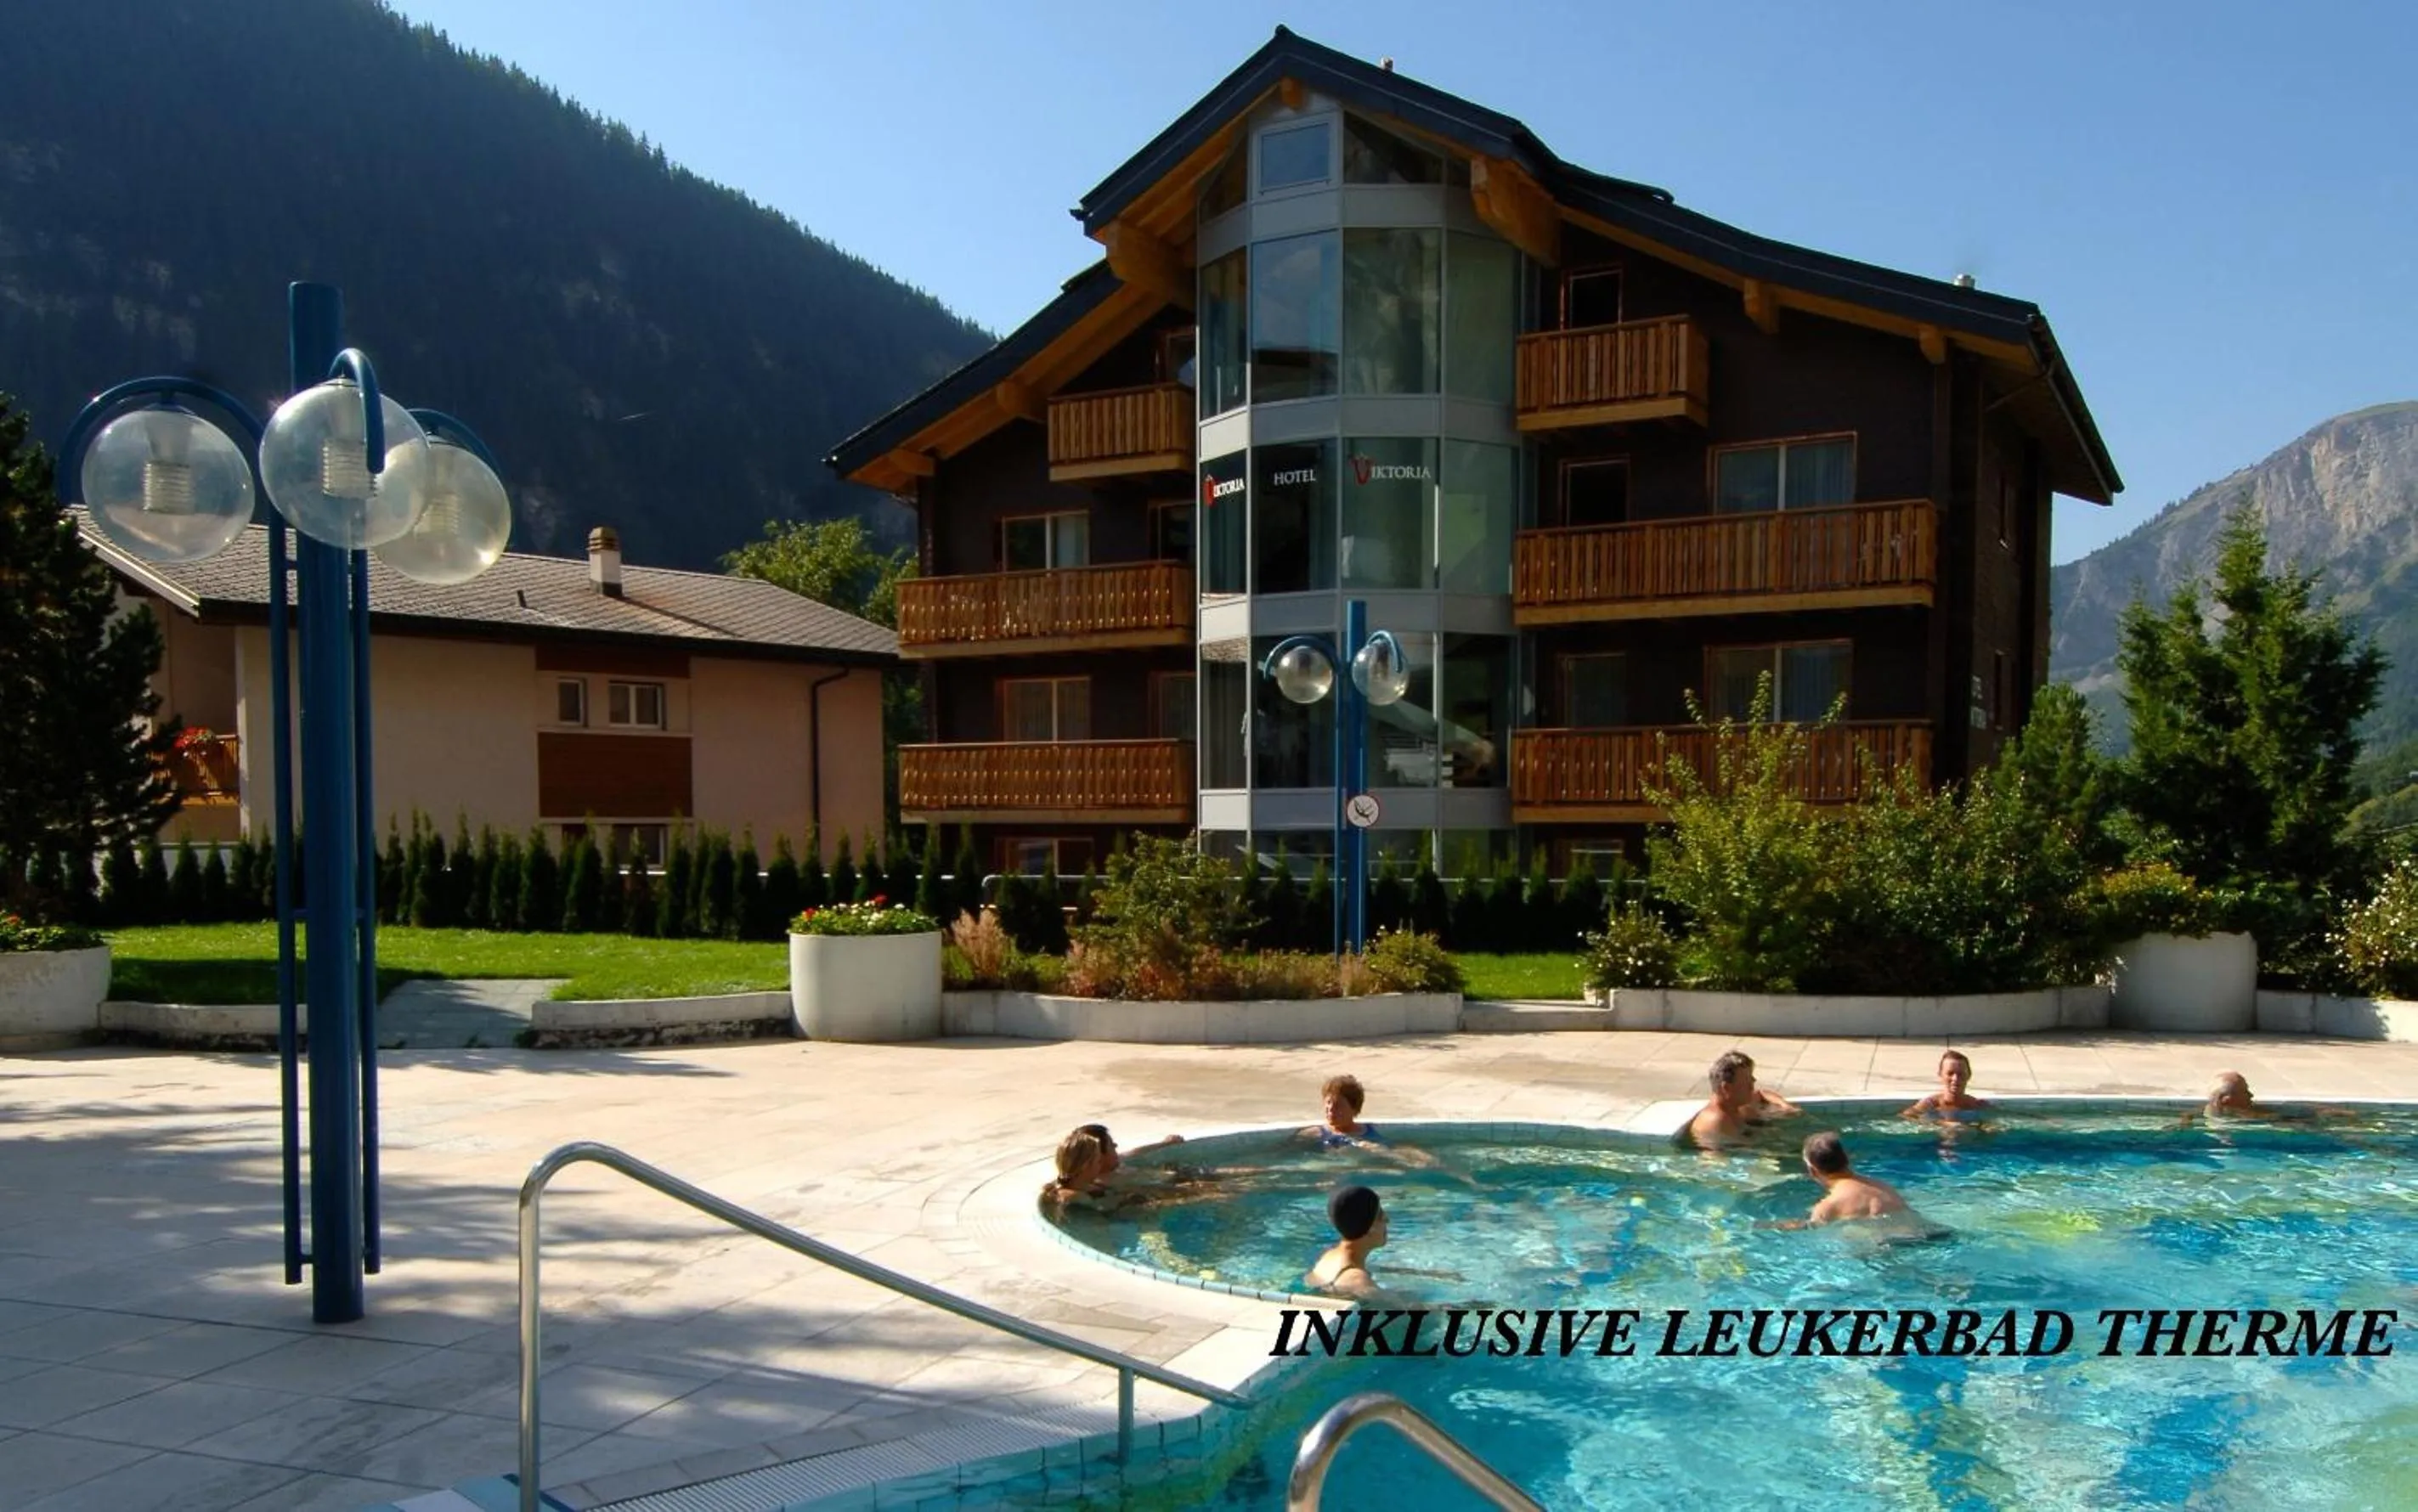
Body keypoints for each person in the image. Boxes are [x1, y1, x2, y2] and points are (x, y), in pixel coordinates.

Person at [1791, 1131, 1914, 1227]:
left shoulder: (1829, 1206)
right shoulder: (1882, 1187)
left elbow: (1813, 1228)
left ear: (1812, 1170)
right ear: (1847, 1160)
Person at [1686, 1052, 1803, 1148]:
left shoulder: (1738, 1102)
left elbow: (1762, 1093)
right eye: (1747, 1079)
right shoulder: (1716, 1122)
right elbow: (1715, 1162)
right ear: (1726, 1088)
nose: (1753, 1082)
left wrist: (1785, 1105)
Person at [1305, 1184, 1388, 1299]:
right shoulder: (1358, 1282)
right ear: (1369, 1227)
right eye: (1381, 1216)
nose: (1387, 1220)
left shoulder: (1328, 1256)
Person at [1901, 1050, 1992, 1119]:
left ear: (1969, 1075)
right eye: (1950, 1073)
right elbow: (1906, 1116)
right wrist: (1939, 1124)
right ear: (1941, 1075)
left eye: (1960, 1074)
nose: (1955, 1079)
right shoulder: (1930, 1104)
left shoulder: (1978, 1105)